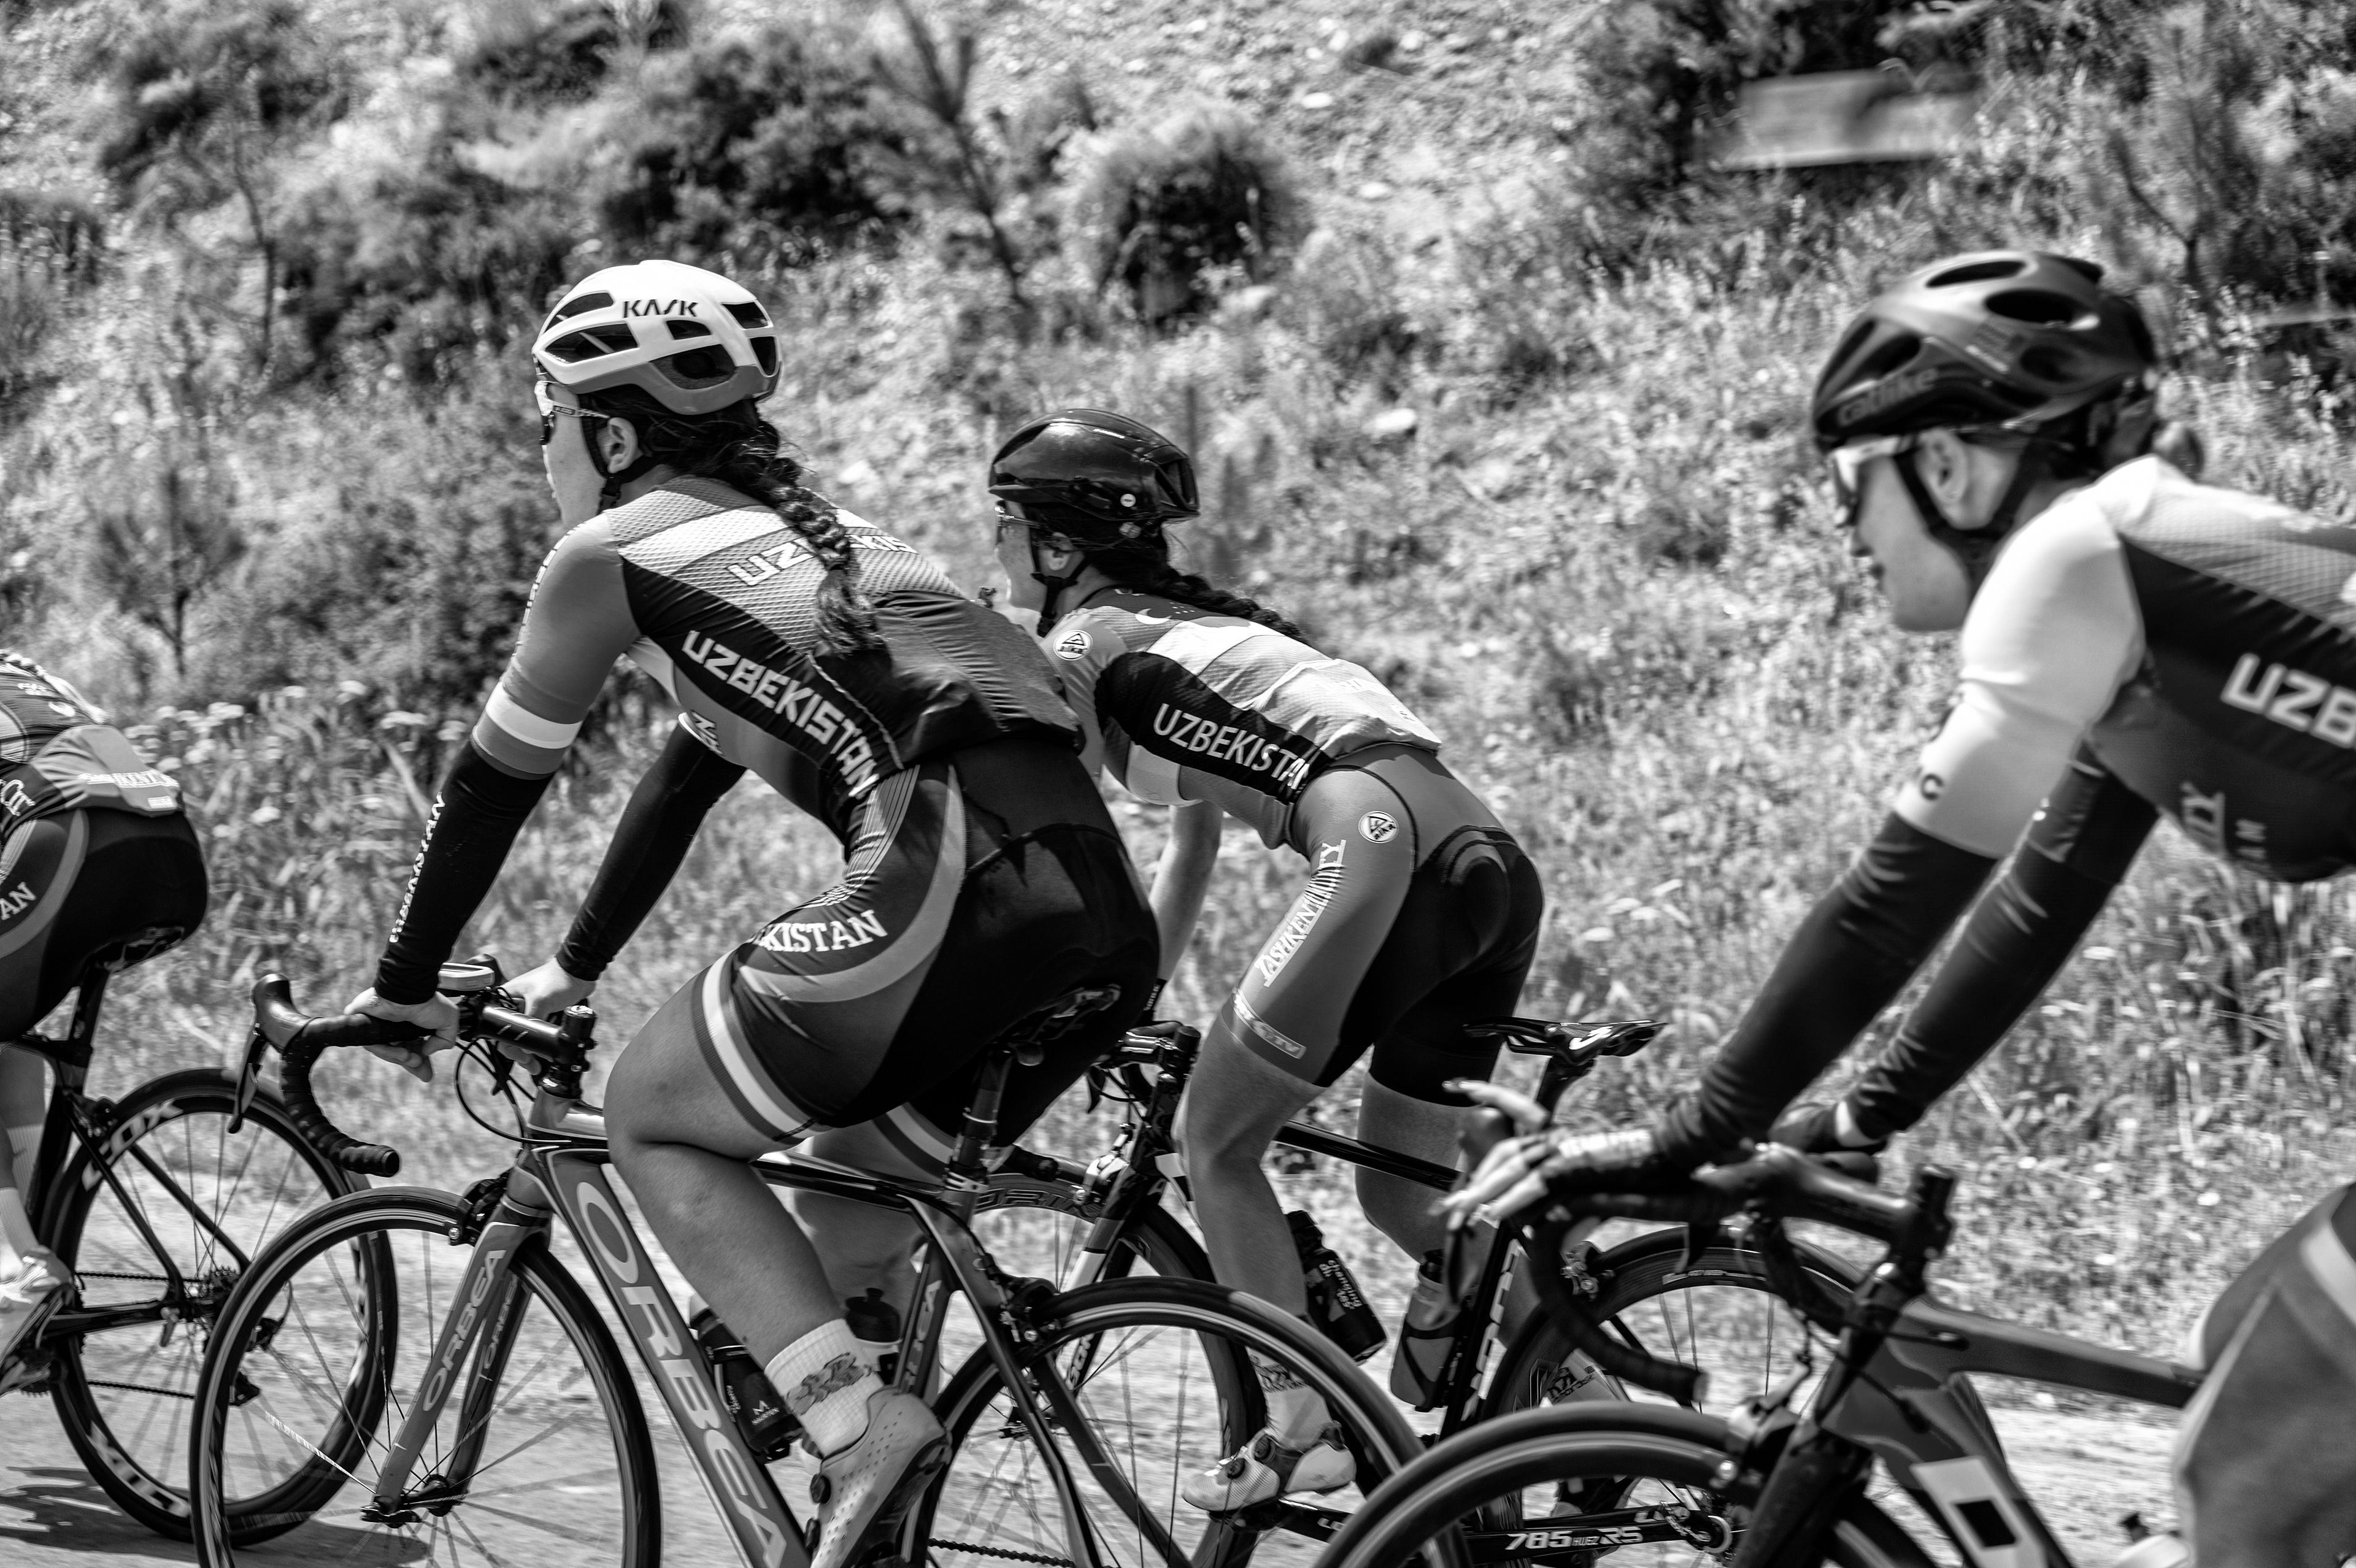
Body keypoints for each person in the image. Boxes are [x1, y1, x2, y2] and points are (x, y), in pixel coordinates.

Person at [1450, 250, 2356, 1566]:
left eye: (1848, 483)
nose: (1845, 529)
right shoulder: (2145, 597)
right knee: (2244, 1355)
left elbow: (1893, 900)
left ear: (1949, 465)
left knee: (2248, 1478)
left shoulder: (2081, 554)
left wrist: (1688, 1135)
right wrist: (1860, 1118)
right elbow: (2038, 901)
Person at [347, 261, 1157, 1568]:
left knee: (652, 1114)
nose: (545, 450)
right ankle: (876, 1507)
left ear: (611, 437)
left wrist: (403, 981)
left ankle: (859, 1431)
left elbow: (492, 784)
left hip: (953, 888)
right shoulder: (833, 545)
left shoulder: (609, 552)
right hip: (1101, 912)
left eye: (549, 422)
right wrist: (572, 967)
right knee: (854, 1211)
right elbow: (685, 776)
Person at [987, 409, 1545, 1508]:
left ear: (1054, 546)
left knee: (1215, 1140)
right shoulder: (1194, 633)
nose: (994, 543)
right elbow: (1189, 840)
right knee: (1403, 1195)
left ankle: (1300, 1427)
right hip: (1485, 865)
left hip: (1380, 849)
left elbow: (1073, 855)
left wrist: (1056, 998)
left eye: (1004, 522)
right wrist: (1137, 996)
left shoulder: (1083, 646)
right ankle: (1580, 1384)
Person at [0, 650, 206, 1363]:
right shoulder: (20, 666)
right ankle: (32, 1295)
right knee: (8, 1034)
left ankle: (15, 1267)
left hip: (67, 838)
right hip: (168, 844)